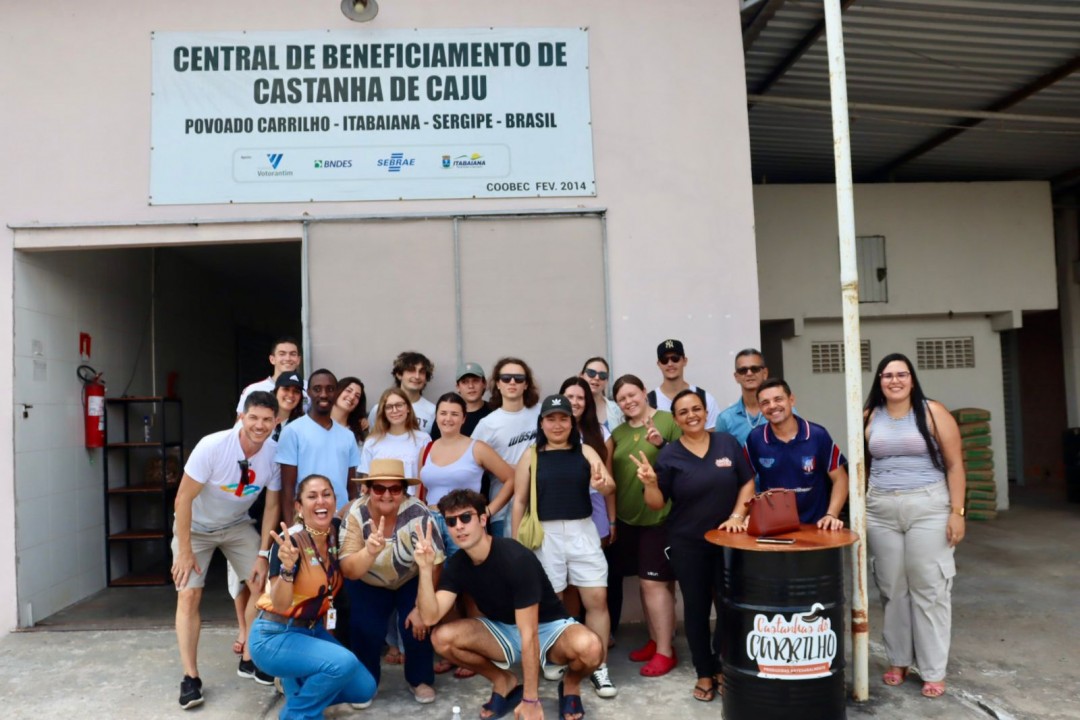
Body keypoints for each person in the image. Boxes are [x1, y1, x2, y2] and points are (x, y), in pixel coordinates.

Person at [416, 489, 604, 720]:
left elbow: (530, 632)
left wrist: (531, 700)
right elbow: (429, 617)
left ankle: (571, 685)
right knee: (441, 639)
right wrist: (425, 569)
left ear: (483, 519)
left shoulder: (515, 558)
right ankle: (503, 681)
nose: (459, 526)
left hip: (549, 628)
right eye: (451, 521)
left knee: (591, 648)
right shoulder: (457, 564)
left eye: (466, 517)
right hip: (503, 629)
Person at [635, 389, 756, 702]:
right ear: (675, 419)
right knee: (697, 609)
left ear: (706, 412)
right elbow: (655, 504)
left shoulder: (727, 443)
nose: (692, 416)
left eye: (697, 409)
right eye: (684, 412)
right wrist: (649, 484)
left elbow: (747, 482)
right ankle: (704, 671)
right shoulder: (669, 455)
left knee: (729, 607)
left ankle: (724, 666)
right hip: (688, 543)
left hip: (729, 541)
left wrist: (737, 514)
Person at [171, 391, 282, 710]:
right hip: (195, 527)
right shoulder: (213, 446)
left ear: (276, 422)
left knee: (263, 584)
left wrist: (263, 554)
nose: (259, 426)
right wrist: (185, 551)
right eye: (253, 418)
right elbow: (183, 500)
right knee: (189, 593)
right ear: (241, 418)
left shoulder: (273, 452)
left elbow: (272, 504)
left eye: (266, 420)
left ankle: (249, 654)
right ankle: (190, 677)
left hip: (235, 526)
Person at [864, 353, 965, 699]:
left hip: (928, 506)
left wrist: (957, 511)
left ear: (911, 378)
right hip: (880, 509)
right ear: (879, 381)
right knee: (892, 588)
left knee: (930, 587)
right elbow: (861, 465)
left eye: (901, 374)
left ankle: (934, 670)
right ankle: (899, 660)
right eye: (887, 375)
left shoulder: (932, 412)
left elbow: (954, 465)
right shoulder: (869, 416)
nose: (894, 380)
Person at [512, 394, 618, 700]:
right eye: (551, 418)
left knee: (596, 596)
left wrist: (602, 483)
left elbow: (608, 484)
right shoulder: (531, 455)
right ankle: (557, 656)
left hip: (582, 530)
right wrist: (518, 543)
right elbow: (519, 500)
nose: (557, 424)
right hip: (544, 534)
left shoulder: (585, 451)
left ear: (572, 422)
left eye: (563, 418)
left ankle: (599, 665)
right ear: (541, 422)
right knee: (553, 599)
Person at [248, 474, 376, 717]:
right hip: (274, 635)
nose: (321, 501)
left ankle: (296, 686)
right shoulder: (289, 543)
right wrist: (286, 568)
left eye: (327, 494)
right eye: (312, 496)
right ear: (299, 506)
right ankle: (296, 714)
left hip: (312, 630)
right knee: (343, 663)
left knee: (364, 689)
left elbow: (356, 505)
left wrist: (371, 491)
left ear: (334, 500)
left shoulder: (335, 532)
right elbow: (281, 603)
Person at [339, 459, 445, 705]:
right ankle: (366, 683)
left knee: (417, 625)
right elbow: (348, 569)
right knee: (364, 626)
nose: (386, 494)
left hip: (410, 577)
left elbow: (437, 562)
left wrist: (421, 606)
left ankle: (420, 679)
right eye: (379, 488)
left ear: (403, 491)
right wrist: (369, 552)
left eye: (395, 489)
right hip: (367, 578)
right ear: (368, 489)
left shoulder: (418, 512)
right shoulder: (355, 513)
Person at [227, 371, 306, 661]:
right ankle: (243, 630)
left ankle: (259, 633)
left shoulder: (296, 426)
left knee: (264, 573)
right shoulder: (251, 422)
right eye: (285, 389)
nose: (290, 395)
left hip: (274, 503)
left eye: (296, 391)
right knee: (241, 575)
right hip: (243, 507)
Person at [608, 374, 681, 677]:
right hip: (628, 520)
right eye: (622, 399)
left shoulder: (667, 421)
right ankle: (655, 640)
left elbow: (687, 458)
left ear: (644, 392)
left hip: (660, 518)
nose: (628, 401)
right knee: (645, 582)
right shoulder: (618, 433)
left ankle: (666, 651)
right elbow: (610, 477)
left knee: (654, 583)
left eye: (632, 394)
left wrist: (661, 444)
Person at [744, 378, 848, 529]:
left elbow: (840, 479)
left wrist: (831, 515)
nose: (772, 406)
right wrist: (747, 514)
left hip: (816, 527)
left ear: (791, 400)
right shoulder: (755, 438)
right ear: (760, 408)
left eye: (778, 399)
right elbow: (746, 482)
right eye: (765, 403)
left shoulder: (817, 435)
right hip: (772, 527)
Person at [421, 392, 515, 557]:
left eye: (454, 414)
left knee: (463, 576)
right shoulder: (426, 449)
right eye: (443, 413)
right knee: (432, 576)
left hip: (464, 522)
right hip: (431, 522)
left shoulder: (477, 448)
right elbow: (420, 492)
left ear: (463, 418)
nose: (448, 418)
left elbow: (510, 479)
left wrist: (488, 511)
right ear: (436, 417)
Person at [471, 357, 541, 538]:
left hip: (541, 504)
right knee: (508, 563)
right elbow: (473, 463)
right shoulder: (487, 424)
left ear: (526, 384)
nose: (512, 382)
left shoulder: (541, 413)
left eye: (519, 378)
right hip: (502, 509)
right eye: (506, 378)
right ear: (498, 384)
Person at [276, 369, 360, 516]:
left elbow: (351, 487)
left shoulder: (348, 436)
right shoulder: (292, 431)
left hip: (340, 518)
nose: (323, 394)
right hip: (305, 517)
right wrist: (291, 530)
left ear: (337, 392)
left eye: (330, 389)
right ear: (308, 392)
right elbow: (287, 488)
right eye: (317, 389)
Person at [359, 389, 432, 484]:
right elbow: (366, 483)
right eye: (389, 407)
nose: (394, 410)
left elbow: (429, 478)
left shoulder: (423, 440)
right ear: (383, 411)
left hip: (414, 498)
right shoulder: (372, 442)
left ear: (408, 408)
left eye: (399, 405)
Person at [647, 339, 720, 430]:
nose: (670, 364)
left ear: (684, 361)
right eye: (664, 360)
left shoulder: (705, 398)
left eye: (675, 358)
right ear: (659, 364)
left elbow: (712, 438)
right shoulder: (648, 402)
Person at [236, 336, 306, 418]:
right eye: (282, 354)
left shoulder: (308, 388)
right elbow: (240, 424)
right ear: (272, 359)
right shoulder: (254, 389)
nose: (288, 358)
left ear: (298, 360)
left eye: (292, 354)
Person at [368, 351, 437, 435]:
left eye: (421, 372)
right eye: (411, 370)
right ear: (399, 374)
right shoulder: (380, 408)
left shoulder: (433, 411)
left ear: (426, 378)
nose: (417, 376)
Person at [715, 348, 770, 446]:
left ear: (765, 373)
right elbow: (720, 454)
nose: (749, 373)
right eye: (743, 370)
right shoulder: (725, 418)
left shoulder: (782, 410)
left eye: (755, 369)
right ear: (736, 377)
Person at [430, 362, 493, 440]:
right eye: (465, 382)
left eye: (475, 381)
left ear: (484, 384)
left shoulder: (494, 413)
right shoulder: (447, 418)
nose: (471, 386)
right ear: (458, 387)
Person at [580, 357, 623, 431]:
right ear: (581, 376)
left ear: (607, 380)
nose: (597, 378)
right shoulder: (572, 407)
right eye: (591, 373)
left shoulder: (618, 411)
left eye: (602, 375)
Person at [331, 375, 368, 445]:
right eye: (348, 391)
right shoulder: (317, 423)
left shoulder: (360, 431)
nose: (352, 397)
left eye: (357, 396)